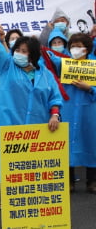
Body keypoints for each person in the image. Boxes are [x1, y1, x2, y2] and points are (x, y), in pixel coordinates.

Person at [0, 13, 63, 183]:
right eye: (17, 50)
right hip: (11, 130)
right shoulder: (7, 66)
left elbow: (54, 98)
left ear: (33, 55)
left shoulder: (45, 74)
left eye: (24, 51)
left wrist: (54, 115)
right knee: (11, 175)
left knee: (34, 175)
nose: (19, 53)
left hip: (38, 133)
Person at [46, 33, 96, 193]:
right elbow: (48, 59)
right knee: (66, 144)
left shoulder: (94, 64)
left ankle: (92, 181)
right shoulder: (64, 63)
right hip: (68, 108)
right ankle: (68, 180)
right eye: (72, 46)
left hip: (89, 111)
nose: (75, 49)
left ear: (87, 48)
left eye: (79, 46)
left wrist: (90, 88)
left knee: (91, 143)